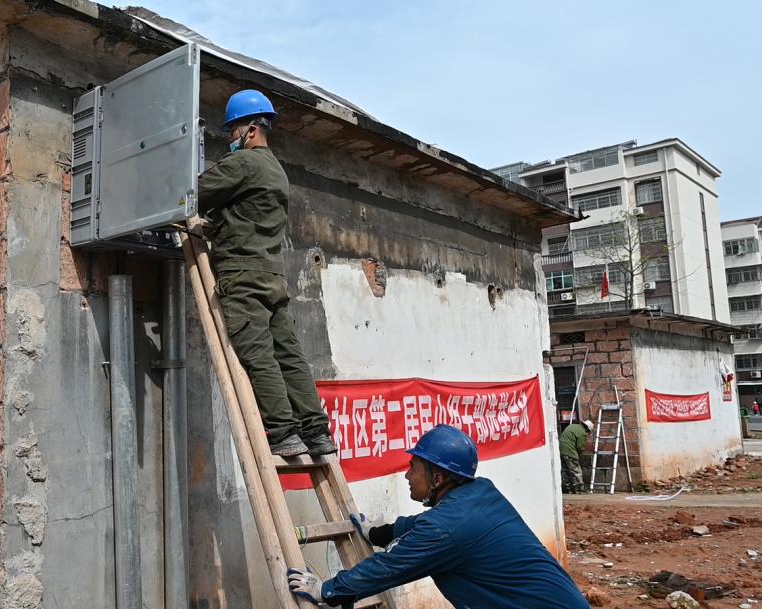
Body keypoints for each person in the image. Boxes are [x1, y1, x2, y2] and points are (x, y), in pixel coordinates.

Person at [286, 425, 589, 608]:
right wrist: (376, 533)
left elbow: (388, 567)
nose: (407, 475)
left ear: (438, 478)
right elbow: (420, 525)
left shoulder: (446, 529)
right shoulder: (480, 494)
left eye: (414, 468)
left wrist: (326, 589)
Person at [197, 89, 335, 457]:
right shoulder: (277, 170)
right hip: (272, 276)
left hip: (242, 275)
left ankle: (283, 432)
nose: (230, 139)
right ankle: (316, 431)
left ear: (252, 130)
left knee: (257, 353)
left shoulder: (244, 164)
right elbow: (246, 213)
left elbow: (192, 193)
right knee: (289, 354)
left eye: (233, 131)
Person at [558, 419, 593, 494]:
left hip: (561, 450)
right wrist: (578, 454)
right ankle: (579, 489)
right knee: (576, 471)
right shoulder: (582, 433)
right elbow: (580, 447)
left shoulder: (572, 426)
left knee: (565, 470)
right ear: (587, 429)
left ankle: (568, 489)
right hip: (570, 452)